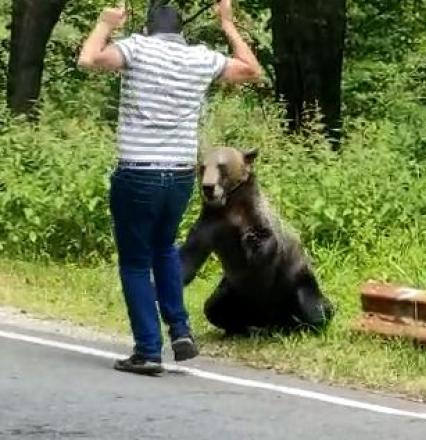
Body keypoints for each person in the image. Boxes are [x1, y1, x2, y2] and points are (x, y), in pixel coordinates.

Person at [77, 0, 262, 375]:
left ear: (147, 28)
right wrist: (227, 24)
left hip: (138, 172)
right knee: (163, 249)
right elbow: (251, 70)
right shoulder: (199, 58)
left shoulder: (135, 47)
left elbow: (88, 60)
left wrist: (105, 23)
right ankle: (179, 330)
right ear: (181, 31)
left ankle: (147, 350)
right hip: (179, 174)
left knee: (134, 263)